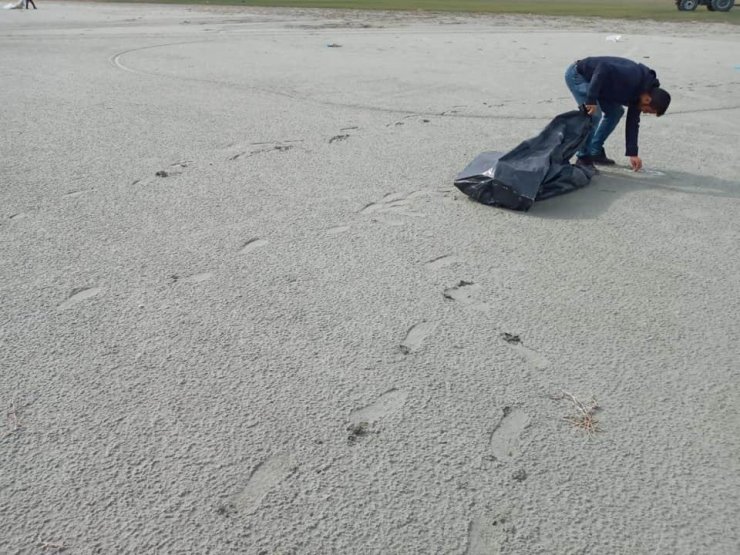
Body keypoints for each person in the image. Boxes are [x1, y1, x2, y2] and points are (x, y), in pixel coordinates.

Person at [564, 56, 671, 172]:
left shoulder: (640, 95)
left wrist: (633, 154)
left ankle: (595, 150)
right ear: (647, 100)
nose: (645, 112)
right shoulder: (633, 76)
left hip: (601, 86)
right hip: (580, 75)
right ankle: (583, 157)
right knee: (594, 114)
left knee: (616, 112)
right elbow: (603, 68)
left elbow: (632, 123)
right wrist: (591, 100)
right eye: (648, 111)